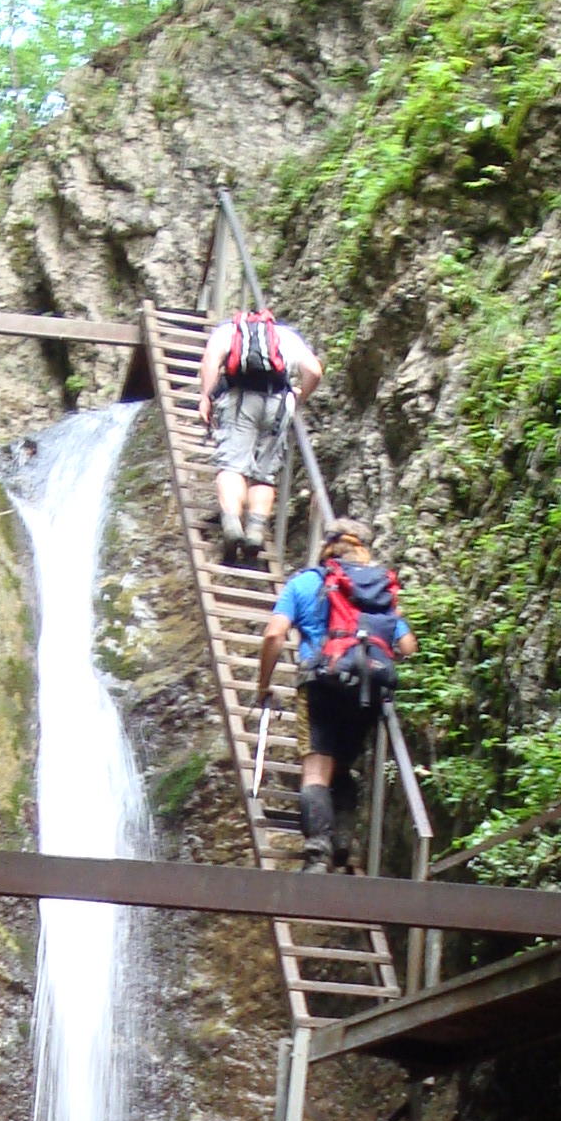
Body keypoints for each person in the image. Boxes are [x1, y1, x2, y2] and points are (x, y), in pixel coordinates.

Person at [258, 520, 415, 870]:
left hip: (320, 684)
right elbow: (407, 646)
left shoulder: (306, 582)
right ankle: (342, 841)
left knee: (316, 770)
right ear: (363, 549)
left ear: (325, 547)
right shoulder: (377, 591)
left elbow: (274, 635)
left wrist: (263, 685)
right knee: (342, 767)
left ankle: (318, 853)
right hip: (367, 689)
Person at [197, 301, 322, 566]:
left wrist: (206, 397)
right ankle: (255, 531)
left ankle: (232, 525)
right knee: (264, 474)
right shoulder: (286, 336)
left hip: (240, 400)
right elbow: (314, 371)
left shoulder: (228, 331)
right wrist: (299, 398)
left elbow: (210, 362)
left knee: (232, 466)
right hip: (278, 404)